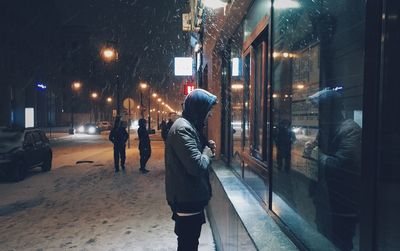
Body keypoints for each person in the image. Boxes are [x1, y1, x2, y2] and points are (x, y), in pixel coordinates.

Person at [304, 88, 361, 251]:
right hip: (325, 198)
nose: (319, 114)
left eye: (322, 109)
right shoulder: (326, 130)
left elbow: (341, 166)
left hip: (343, 203)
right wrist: (310, 151)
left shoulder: (350, 130)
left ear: (332, 110)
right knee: (324, 237)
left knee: (340, 241)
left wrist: (316, 155)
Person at [165, 88, 217, 251]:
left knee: (189, 243)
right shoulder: (183, 129)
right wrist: (206, 154)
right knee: (188, 245)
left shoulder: (188, 126)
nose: (210, 115)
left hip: (188, 197)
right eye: (209, 110)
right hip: (187, 198)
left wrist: (205, 147)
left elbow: (192, 157)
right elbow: (196, 166)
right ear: (199, 109)